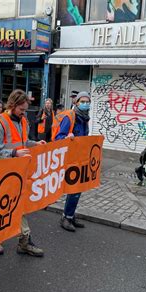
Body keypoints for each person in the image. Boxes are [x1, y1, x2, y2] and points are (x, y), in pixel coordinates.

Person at [0, 89, 45, 257]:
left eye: (25, 110)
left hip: (17, 173)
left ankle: (22, 241)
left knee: (16, 206)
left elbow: (22, 142)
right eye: (21, 109)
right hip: (3, 174)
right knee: (1, 208)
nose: (23, 113)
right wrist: (14, 154)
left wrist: (35, 144)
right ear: (12, 105)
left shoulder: (23, 121)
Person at [53, 91, 90, 232]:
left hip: (79, 157)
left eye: (88, 102)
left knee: (77, 189)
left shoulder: (84, 118)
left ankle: (70, 215)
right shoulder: (70, 116)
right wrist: (67, 137)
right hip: (70, 158)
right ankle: (66, 218)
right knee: (74, 189)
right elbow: (58, 138)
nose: (86, 104)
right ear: (77, 102)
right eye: (83, 101)